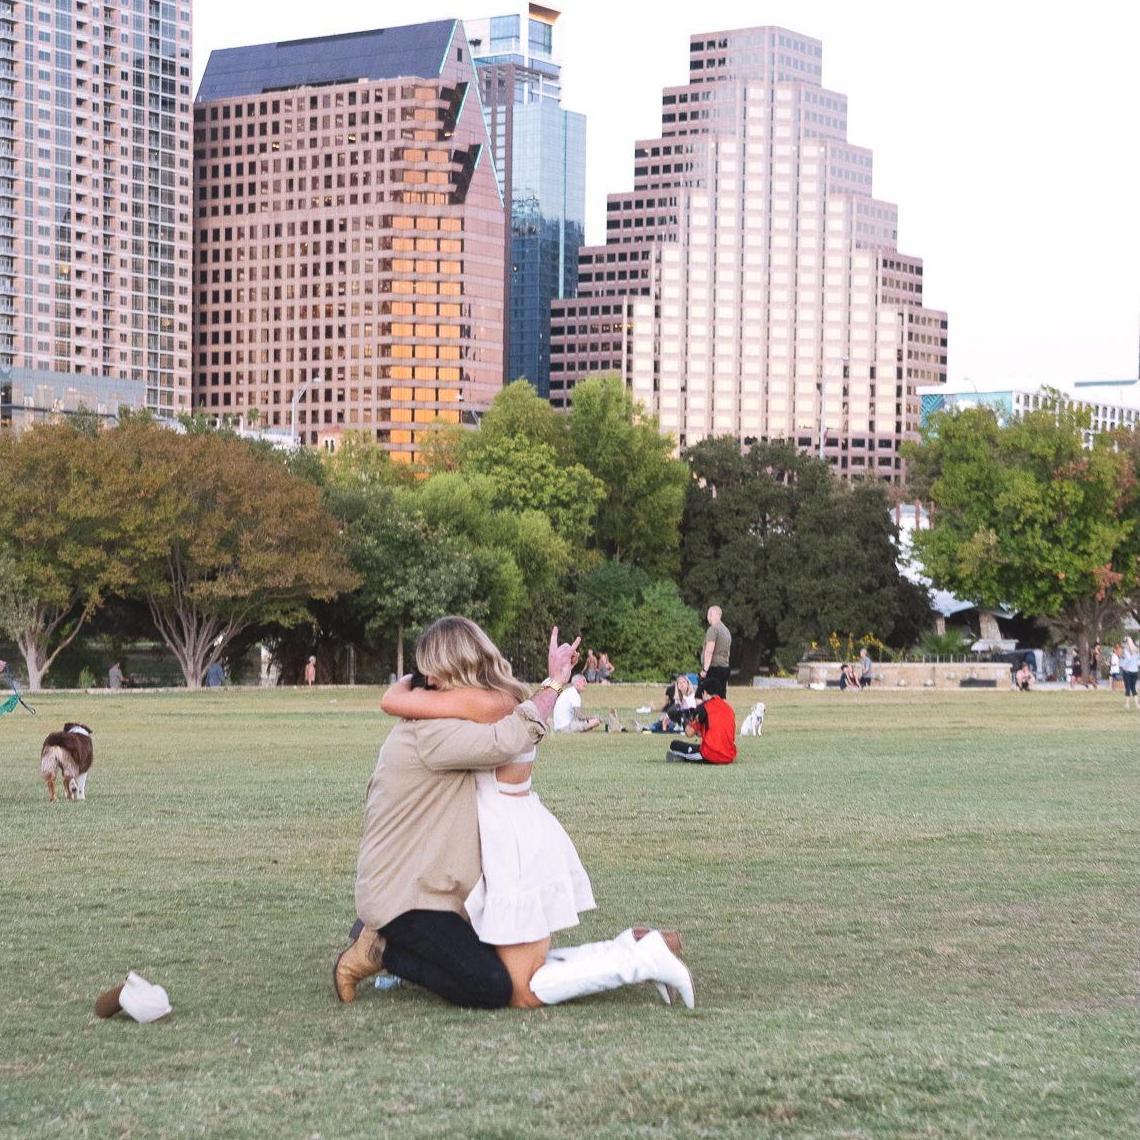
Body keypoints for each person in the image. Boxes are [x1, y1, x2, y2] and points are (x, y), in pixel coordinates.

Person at [334, 619, 693, 1010]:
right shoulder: (434, 728)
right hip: (405, 895)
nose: (428, 681)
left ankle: (636, 952)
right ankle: (382, 949)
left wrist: (553, 682)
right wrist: (554, 682)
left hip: (457, 875)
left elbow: (502, 722)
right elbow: (507, 737)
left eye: (431, 670)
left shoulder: (469, 709)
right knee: (493, 985)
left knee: (515, 976)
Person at [666, 695, 737, 764]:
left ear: (705, 693)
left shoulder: (704, 708)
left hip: (711, 755)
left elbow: (689, 733)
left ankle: (681, 757)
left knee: (674, 744)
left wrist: (682, 719)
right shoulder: (728, 708)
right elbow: (705, 733)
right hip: (729, 755)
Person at [697, 605, 731, 699]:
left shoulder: (713, 629)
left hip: (714, 668)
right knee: (721, 696)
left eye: (708, 614)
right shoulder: (726, 630)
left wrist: (704, 670)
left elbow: (709, 651)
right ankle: (724, 714)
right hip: (725, 667)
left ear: (712, 614)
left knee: (704, 696)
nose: (708, 617)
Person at [1120, 637, 1139, 710]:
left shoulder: (1126, 651)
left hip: (1127, 671)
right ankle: (1137, 704)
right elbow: (1138, 661)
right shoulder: (1136, 650)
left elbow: (1126, 661)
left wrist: (1124, 666)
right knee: (1133, 688)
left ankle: (1127, 704)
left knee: (1127, 688)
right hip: (1135, 671)